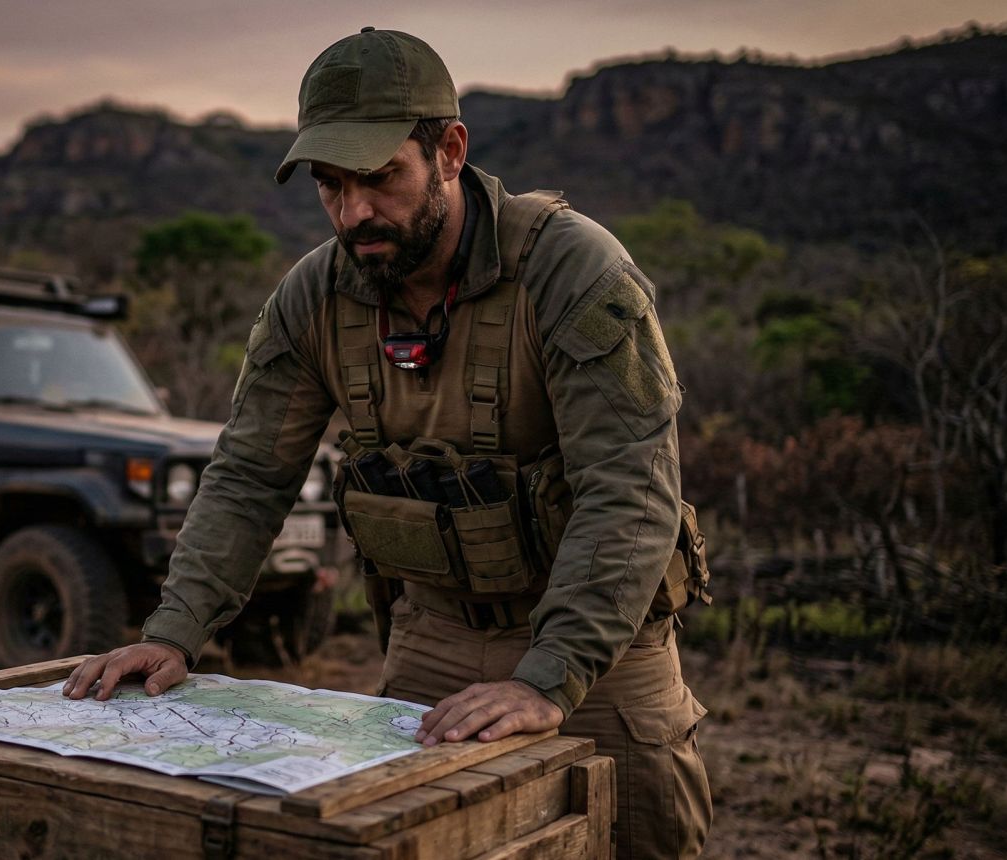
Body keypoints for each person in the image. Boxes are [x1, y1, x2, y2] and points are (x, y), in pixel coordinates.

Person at [64, 27, 711, 858]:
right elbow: (250, 475)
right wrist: (174, 629)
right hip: (432, 641)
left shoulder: (572, 272)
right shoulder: (313, 298)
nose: (354, 212)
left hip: (602, 649)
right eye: (331, 186)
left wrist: (548, 677)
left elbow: (630, 491)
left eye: (378, 179)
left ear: (449, 149)